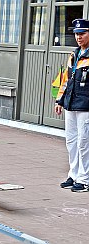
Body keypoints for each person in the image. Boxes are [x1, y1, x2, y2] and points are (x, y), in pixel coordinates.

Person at [55, 19, 89, 192]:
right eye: (76, 34)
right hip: (71, 104)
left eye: (82, 33)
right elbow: (65, 80)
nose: (78, 37)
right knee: (72, 141)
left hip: (86, 106)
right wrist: (59, 100)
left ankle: (84, 179)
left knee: (84, 143)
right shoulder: (74, 55)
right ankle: (74, 175)